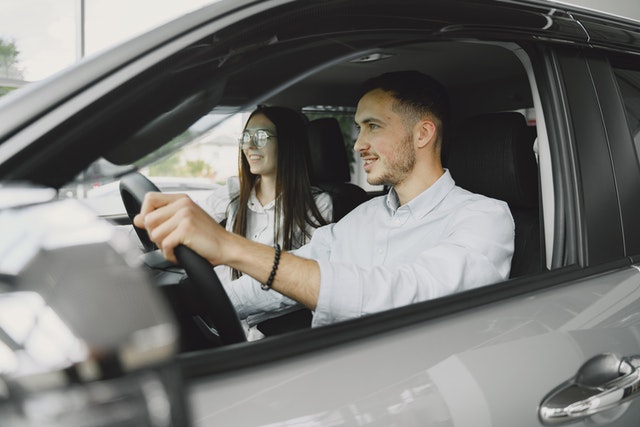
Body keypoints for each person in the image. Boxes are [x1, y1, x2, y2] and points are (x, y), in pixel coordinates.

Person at [134, 70, 515, 329]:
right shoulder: (361, 218)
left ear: (423, 134)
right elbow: (287, 275)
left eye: (373, 126)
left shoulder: (484, 218)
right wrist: (184, 305)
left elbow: (404, 294)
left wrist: (230, 248)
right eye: (358, 128)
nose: (359, 143)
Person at [197, 106, 332, 282]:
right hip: (219, 298)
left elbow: (306, 279)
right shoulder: (235, 189)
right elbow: (193, 221)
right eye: (246, 137)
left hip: (262, 306)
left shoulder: (317, 203)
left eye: (261, 137)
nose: (250, 146)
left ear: (287, 142)